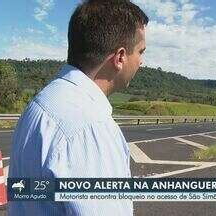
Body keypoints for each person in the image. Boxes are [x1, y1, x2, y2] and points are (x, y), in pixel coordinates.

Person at [8, 0, 148, 215]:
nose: (141, 62)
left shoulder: (40, 103)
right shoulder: (91, 127)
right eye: (140, 52)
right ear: (120, 57)